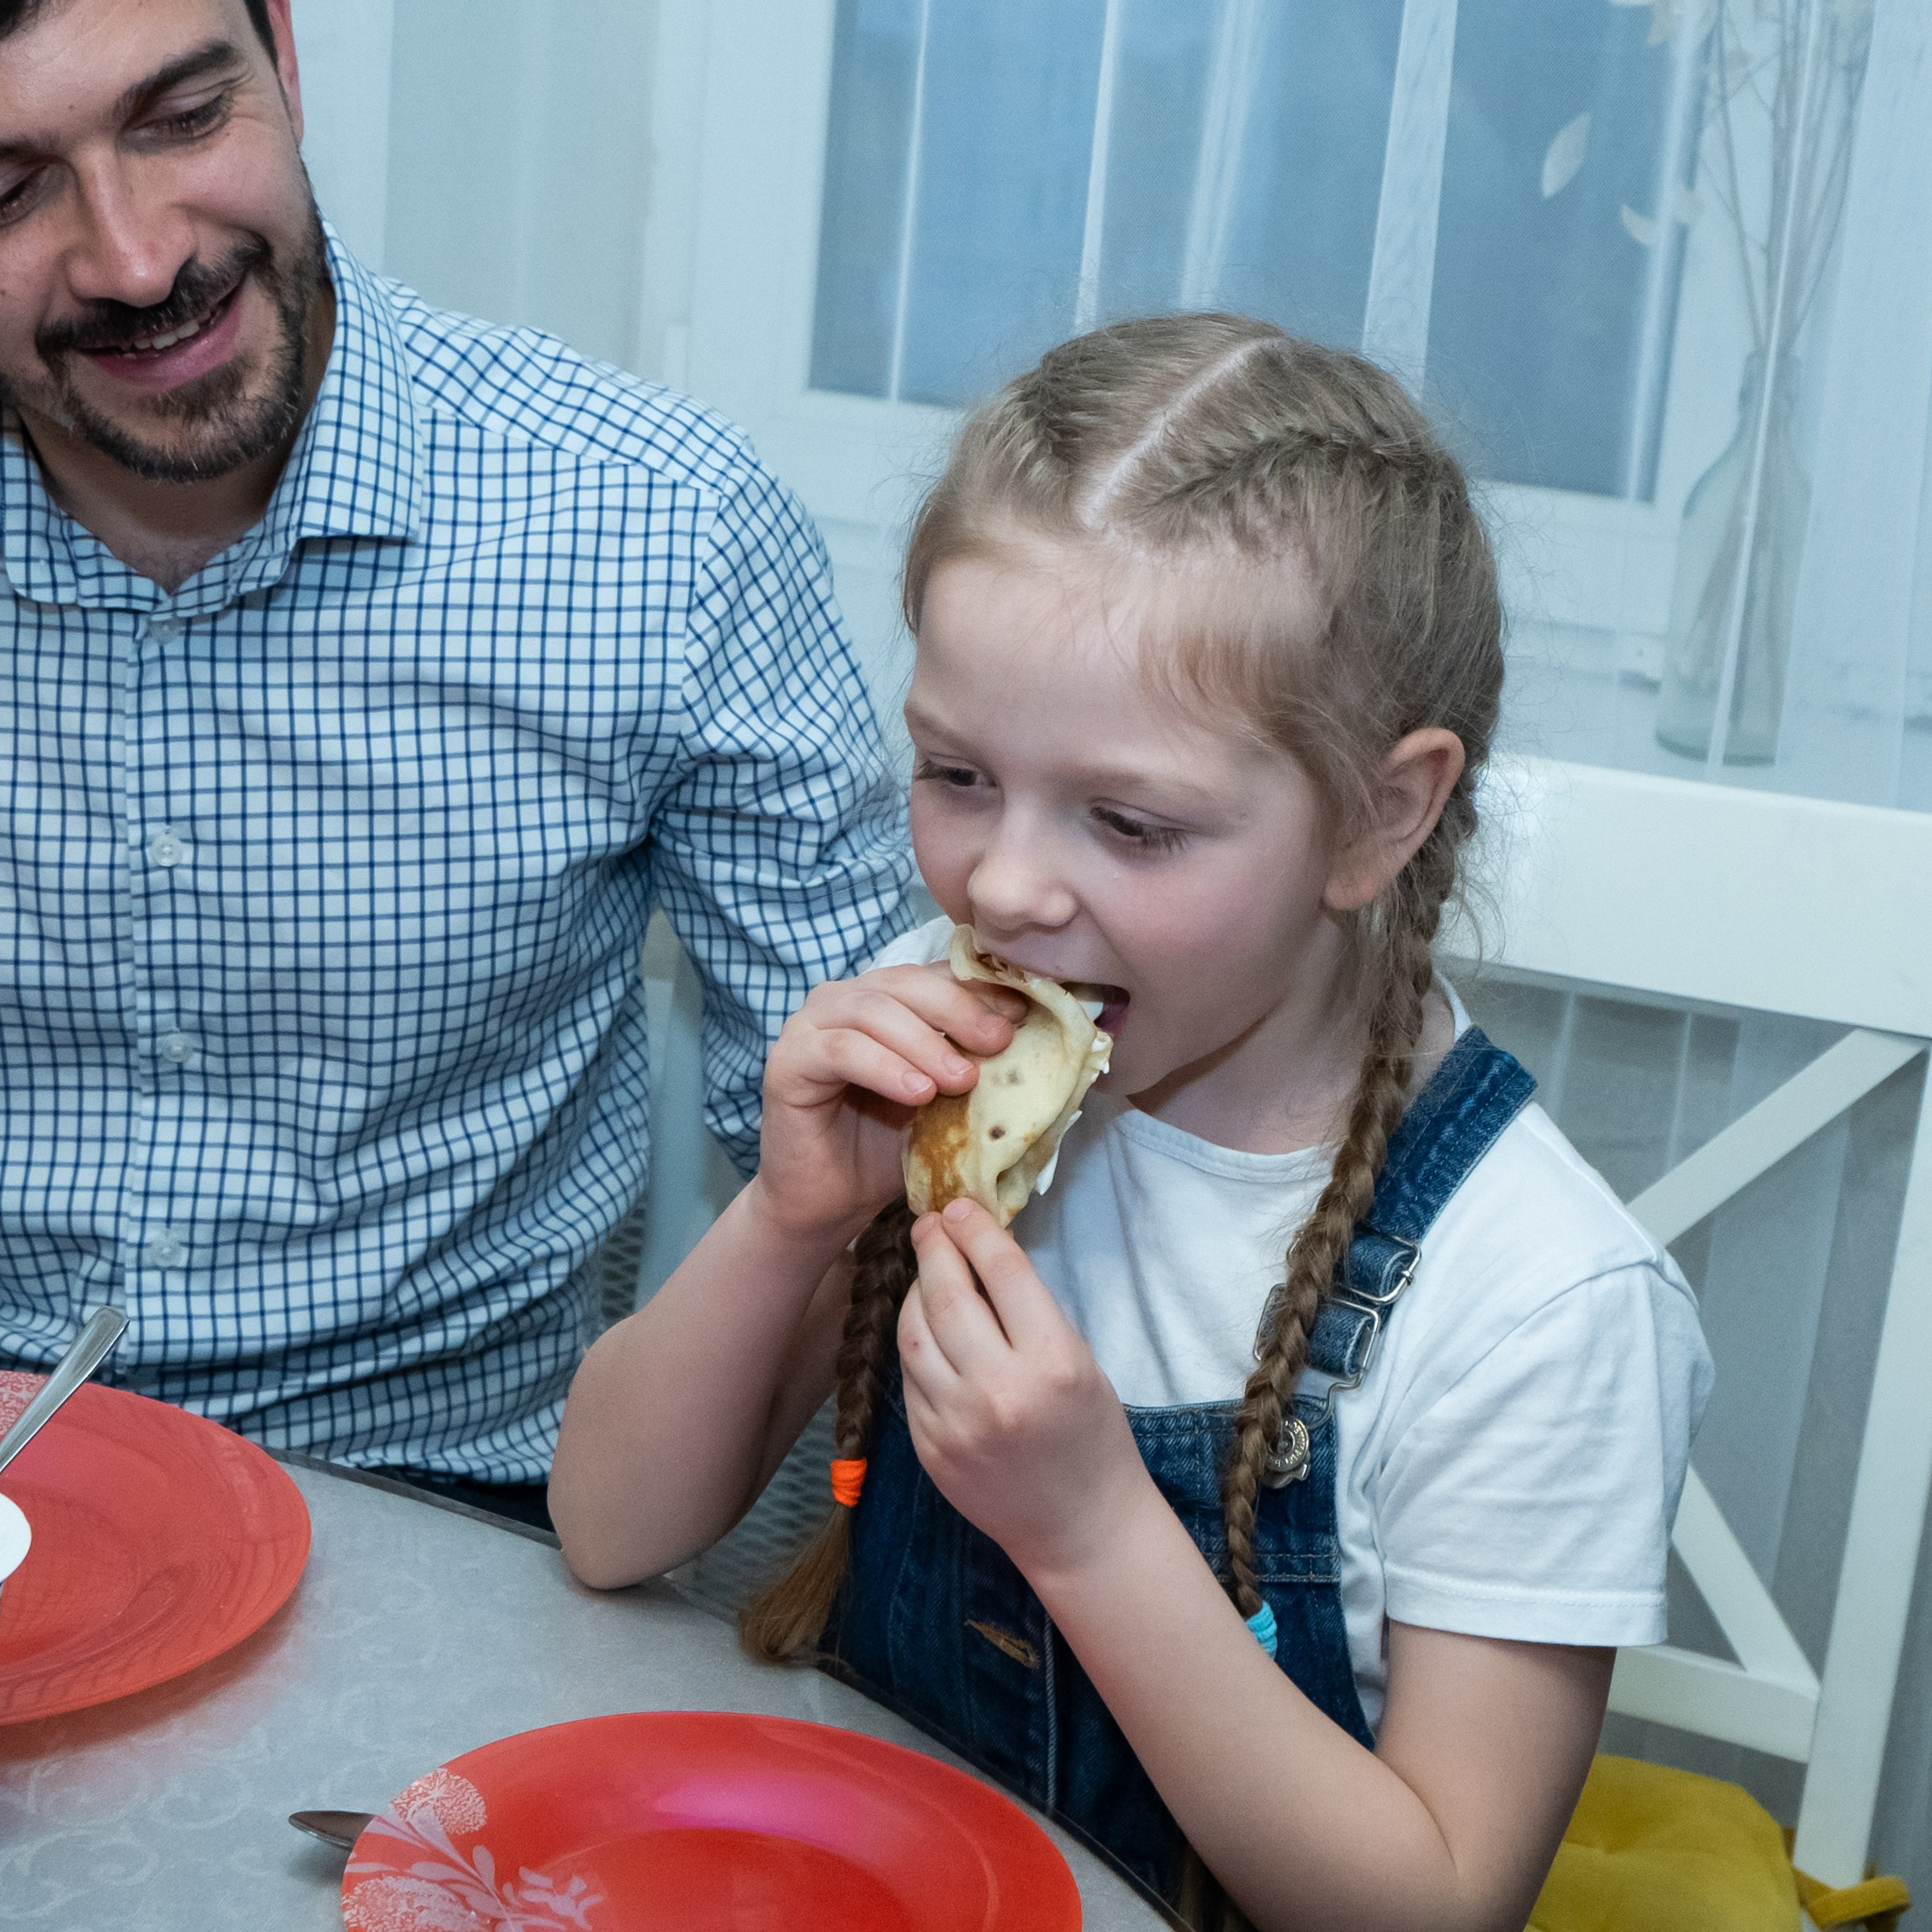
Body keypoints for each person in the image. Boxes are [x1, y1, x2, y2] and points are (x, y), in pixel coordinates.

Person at [549, 315, 1712, 1927]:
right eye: (956, 773)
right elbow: (608, 1527)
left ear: (1380, 814)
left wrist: (1090, 1530)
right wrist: (791, 1218)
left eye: (1129, 821)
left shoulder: (1537, 1303)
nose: (1004, 887)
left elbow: (1431, 1904)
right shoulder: (944, 1057)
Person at [0, 0, 909, 1527]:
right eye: (11, 190)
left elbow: (878, 1166)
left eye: (184, 118)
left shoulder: (661, 529)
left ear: (286, 59)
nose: (139, 262)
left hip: (443, 1502)